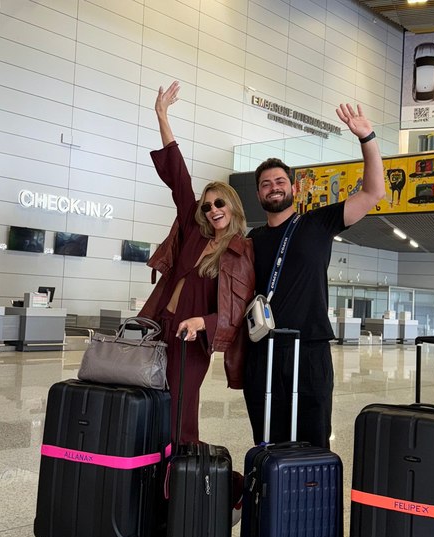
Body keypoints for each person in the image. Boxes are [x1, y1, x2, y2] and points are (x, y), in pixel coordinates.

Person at [243, 103, 386, 447]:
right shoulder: (252, 240)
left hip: (309, 348)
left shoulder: (318, 223)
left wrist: (367, 137)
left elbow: (373, 192)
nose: (273, 187)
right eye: (265, 184)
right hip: (263, 349)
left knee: (312, 435)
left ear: (293, 188)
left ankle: (310, 497)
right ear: (259, 194)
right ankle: (270, 495)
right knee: (266, 436)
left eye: (280, 181)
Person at [138, 81, 257, 444]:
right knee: (151, 403)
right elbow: (179, 178)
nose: (212, 210)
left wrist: (202, 322)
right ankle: (153, 472)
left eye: (219, 203)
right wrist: (162, 115)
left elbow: (235, 312)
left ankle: (189, 480)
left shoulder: (241, 251)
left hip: (191, 338)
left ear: (234, 207)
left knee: (180, 410)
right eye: (207, 205)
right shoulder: (196, 233)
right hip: (160, 326)